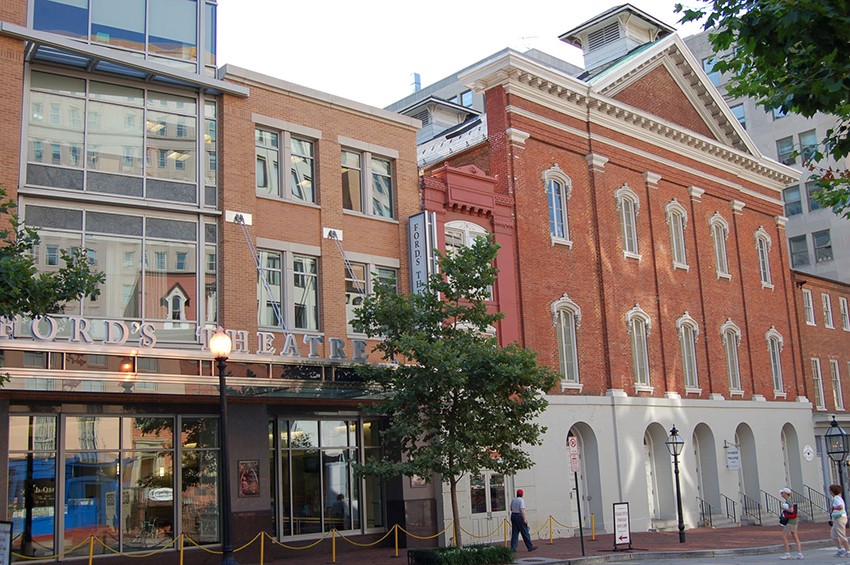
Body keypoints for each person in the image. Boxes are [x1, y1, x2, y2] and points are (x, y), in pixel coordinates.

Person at [778, 487, 802, 560]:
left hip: (790, 521)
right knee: (795, 536)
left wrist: (784, 509)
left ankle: (787, 553)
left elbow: (791, 510)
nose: (781, 494)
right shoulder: (791, 500)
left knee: (784, 536)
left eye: (782, 493)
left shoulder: (788, 500)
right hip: (794, 520)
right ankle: (799, 553)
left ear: (785, 493)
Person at [829, 484, 850, 557]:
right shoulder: (838, 498)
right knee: (833, 534)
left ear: (832, 491)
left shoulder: (836, 499)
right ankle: (840, 550)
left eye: (830, 490)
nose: (829, 492)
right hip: (837, 519)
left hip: (840, 518)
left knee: (841, 535)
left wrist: (833, 508)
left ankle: (848, 551)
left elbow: (840, 507)